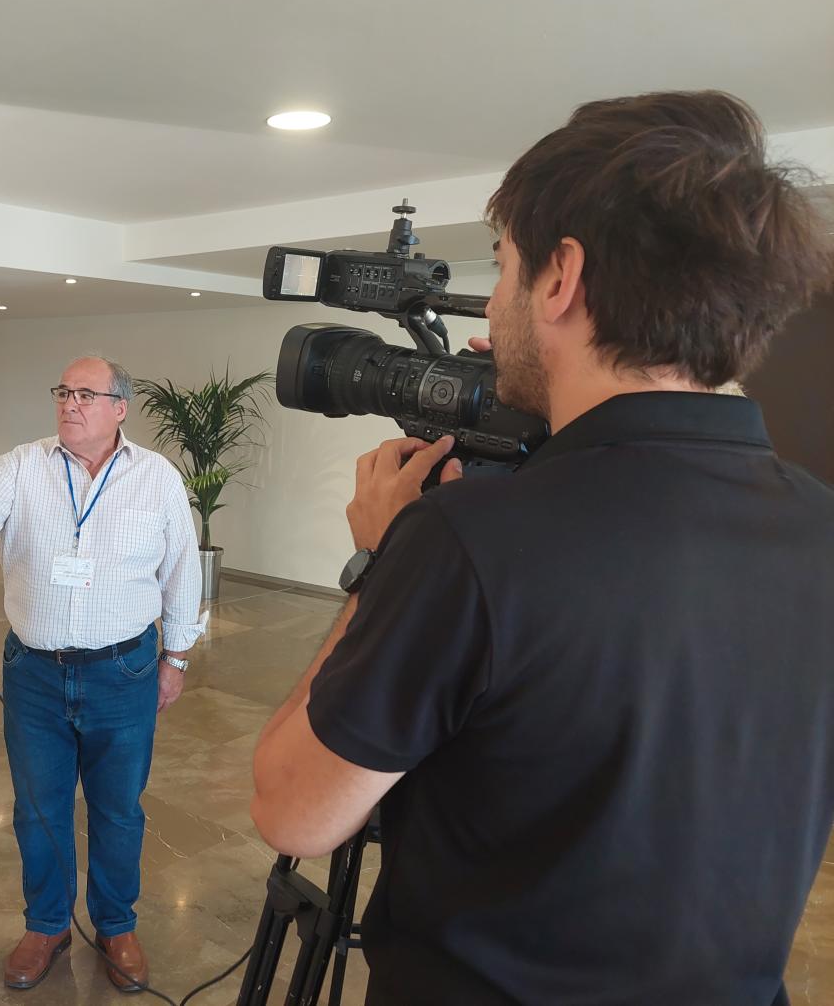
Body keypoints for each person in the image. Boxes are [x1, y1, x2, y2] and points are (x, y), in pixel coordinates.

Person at [250, 91, 834, 1006]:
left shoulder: (469, 541)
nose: (494, 301)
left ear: (561, 276)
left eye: (503, 265)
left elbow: (292, 807)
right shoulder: (820, 523)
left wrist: (380, 565)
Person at [0, 356, 203, 992]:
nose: (70, 403)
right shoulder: (22, 464)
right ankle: (47, 924)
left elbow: (183, 570)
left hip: (124, 669)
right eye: (64, 392)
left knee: (118, 810)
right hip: (35, 674)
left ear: (119, 408)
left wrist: (175, 658)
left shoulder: (156, 477)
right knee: (38, 808)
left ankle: (116, 925)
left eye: (86, 394)